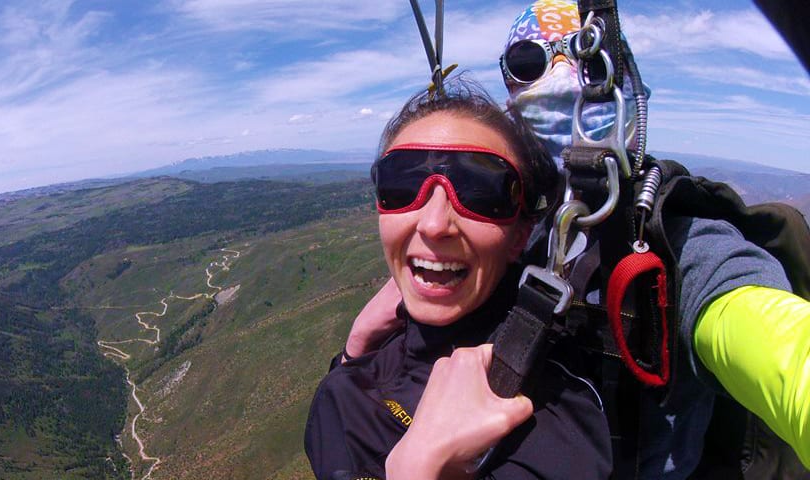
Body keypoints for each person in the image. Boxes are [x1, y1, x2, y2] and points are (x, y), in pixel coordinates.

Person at [341, 0, 810, 477]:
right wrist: (357, 354)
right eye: (531, 62)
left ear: (620, 74)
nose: (568, 70)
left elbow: (784, 353)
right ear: (512, 99)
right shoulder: (526, 226)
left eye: (587, 56)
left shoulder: (681, 244)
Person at [304, 78, 613, 479]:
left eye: (480, 191)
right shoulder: (346, 385)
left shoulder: (549, 415)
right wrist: (352, 353)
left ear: (520, 234)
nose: (434, 224)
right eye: (402, 185)